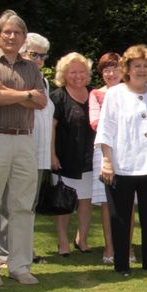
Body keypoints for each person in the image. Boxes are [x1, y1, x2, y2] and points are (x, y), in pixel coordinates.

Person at [0, 10, 47, 287]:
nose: (12, 36)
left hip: (24, 140)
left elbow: (41, 102)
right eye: (7, 32)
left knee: (22, 206)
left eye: (17, 32)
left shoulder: (31, 68)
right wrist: (25, 95)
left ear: (24, 37)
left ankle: (19, 265)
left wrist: (6, 91)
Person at [96, 45, 147, 276]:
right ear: (127, 69)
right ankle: (122, 265)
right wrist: (107, 161)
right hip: (122, 166)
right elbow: (106, 129)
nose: (141, 70)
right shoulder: (115, 94)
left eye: (146, 66)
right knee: (120, 218)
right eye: (137, 66)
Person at [0, 33, 54, 266]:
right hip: (17, 148)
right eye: (34, 54)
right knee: (9, 203)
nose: (39, 60)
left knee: (28, 205)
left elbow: (45, 113)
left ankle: (23, 250)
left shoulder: (44, 82)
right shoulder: (14, 78)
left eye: (43, 56)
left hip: (39, 154)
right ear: (21, 52)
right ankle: (2, 252)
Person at [51, 52, 95, 256]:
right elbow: (51, 128)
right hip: (65, 158)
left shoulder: (94, 94)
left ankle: (82, 239)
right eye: (73, 72)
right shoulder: (57, 97)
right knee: (64, 202)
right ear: (64, 74)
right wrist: (52, 155)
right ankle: (63, 241)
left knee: (86, 201)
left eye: (82, 71)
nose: (78, 76)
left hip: (90, 158)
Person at [89, 52, 130, 265]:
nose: (111, 73)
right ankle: (110, 247)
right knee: (107, 202)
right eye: (106, 69)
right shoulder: (96, 94)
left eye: (115, 69)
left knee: (128, 202)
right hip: (103, 151)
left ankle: (128, 247)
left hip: (129, 150)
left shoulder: (131, 92)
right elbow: (96, 122)